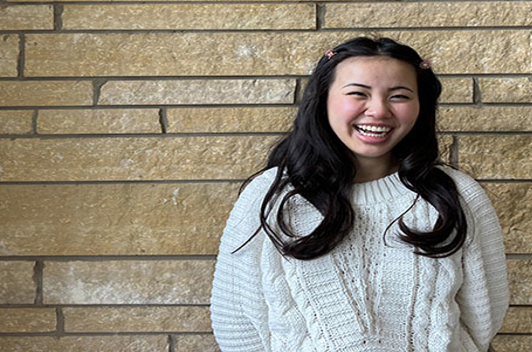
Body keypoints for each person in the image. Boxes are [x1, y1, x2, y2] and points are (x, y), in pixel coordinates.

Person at [210, 37, 508, 352]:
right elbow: (237, 323)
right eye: (358, 94)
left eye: (399, 96)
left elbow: (484, 314)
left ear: (421, 105)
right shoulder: (270, 195)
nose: (378, 110)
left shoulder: (457, 194)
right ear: (322, 99)